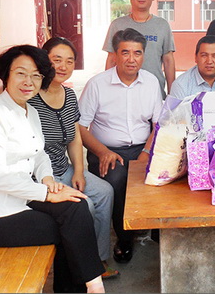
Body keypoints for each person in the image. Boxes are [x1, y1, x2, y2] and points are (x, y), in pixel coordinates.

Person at [0, 45, 105, 293]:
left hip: (20, 198)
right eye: (21, 74)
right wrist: (46, 195)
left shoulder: (30, 111)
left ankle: (91, 284)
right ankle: (90, 286)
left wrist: (48, 180)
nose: (28, 82)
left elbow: (39, 153)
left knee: (76, 205)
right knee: (67, 229)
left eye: (36, 75)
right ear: (6, 75)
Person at [28, 37, 117, 279]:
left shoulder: (68, 95)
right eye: (57, 60)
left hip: (63, 168)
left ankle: (98, 259)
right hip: (38, 177)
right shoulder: (30, 97)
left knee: (104, 192)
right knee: (85, 205)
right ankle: (81, 268)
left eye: (69, 61)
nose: (63, 66)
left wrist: (78, 171)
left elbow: (74, 137)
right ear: (44, 61)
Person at [79, 28, 163, 264]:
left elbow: (158, 124)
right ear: (115, 55)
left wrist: (146, 152)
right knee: (118, 180)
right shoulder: (97, 84)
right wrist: (102, 151)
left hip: (143, 147)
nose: (131, 59)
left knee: (163, 176)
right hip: (106, 150)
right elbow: (80, 127)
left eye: (137, 53)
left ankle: (158, 230)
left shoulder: (151, 82)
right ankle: (124, 238)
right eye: (125, 52)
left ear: (143, 55)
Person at [103, 0, 175, 97]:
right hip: (122, 91)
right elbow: (111, 59)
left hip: (154, 92)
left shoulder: (162, 25)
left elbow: (168, 60)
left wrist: (172, 94)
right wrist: (107, 89)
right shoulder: (117, 25)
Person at [169, 35, 215, 100]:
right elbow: (174, 112)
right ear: (196, 58)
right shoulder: (181, 85)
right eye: (204, 55)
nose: (209, 61)